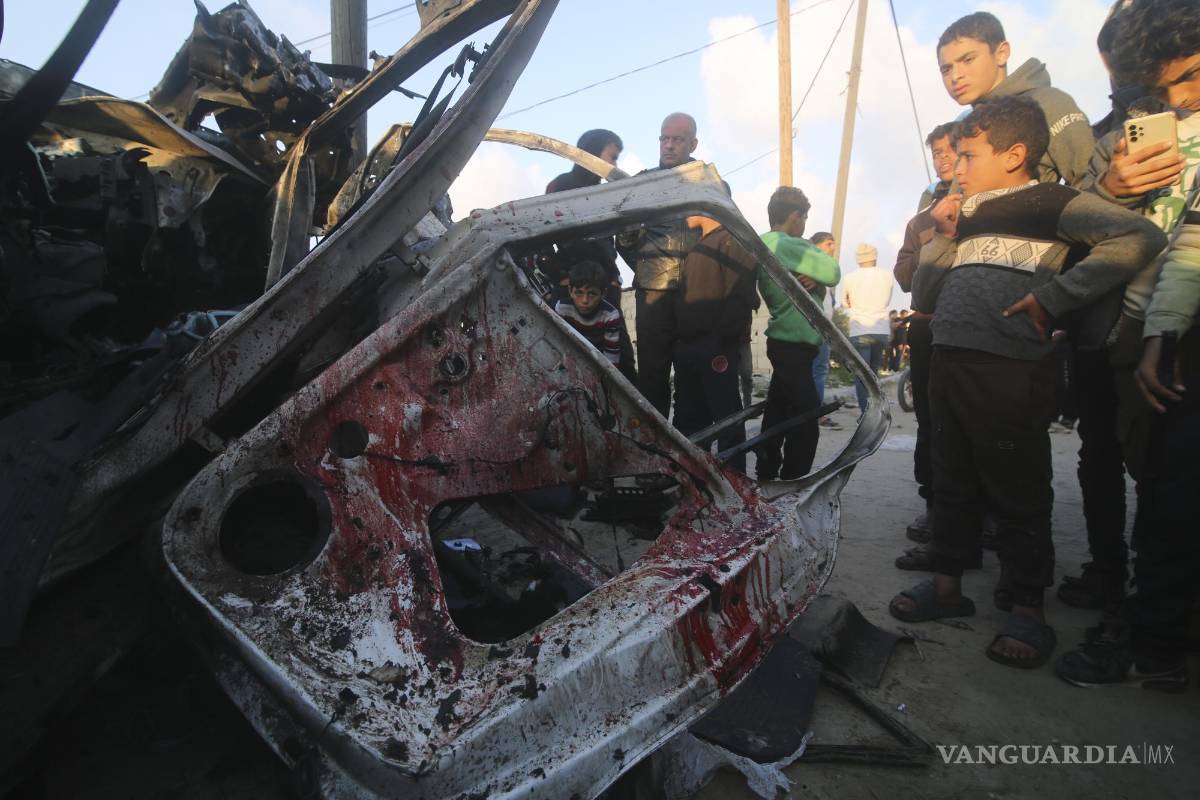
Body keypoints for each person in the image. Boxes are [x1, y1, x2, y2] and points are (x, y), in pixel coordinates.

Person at [889, 96, 1165, 672]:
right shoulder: (964, 214)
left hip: (1011, 369)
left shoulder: (1053, 202)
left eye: (968, 155)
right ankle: (946, 587)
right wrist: (942, 236)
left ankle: (1027, 607)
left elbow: (1137, 237)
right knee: (951, 479)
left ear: (1015, 155)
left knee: (1018, 491)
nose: (957, 168)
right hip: (950, 363)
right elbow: (927, 295)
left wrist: (1054, 297)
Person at [1056, 0, 1200, 692]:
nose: (1180, 98)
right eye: (1159, 85)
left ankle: (1155, 631)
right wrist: (1112, 189)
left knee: (1167, 483)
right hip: (1127, 329)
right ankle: (1122, 598)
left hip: (1165, 333)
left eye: (1191, 77)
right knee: (1115, 463)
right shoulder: (1119, 132)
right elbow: (1076, 219)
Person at [937, 11, 1094, 187]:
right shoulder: (967, 126)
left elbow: (1091, 180)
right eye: (946, 69)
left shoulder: (1049, 103)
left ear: (1001, 53)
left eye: (968, 60)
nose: (955, 76)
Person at [894, 122, 957, 546]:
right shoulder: (921, 220)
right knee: (930, 422)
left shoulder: (993, 206)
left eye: (951, 149)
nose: (945, 158)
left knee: (975, 422)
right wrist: (937, 237)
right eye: (937, 152)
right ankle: (935, 506)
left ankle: (984, 513)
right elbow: (904, 275)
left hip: (978, 329)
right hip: (927, 328)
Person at [616, 113, 702, 418]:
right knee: (652, 375)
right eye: (664, 138)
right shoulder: (643, 182)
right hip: (653, 294)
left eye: (677, 139)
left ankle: (690, 446)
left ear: (693, 143)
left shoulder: (708, 183)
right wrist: (646, 267)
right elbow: (623, 237)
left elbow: (723, 237)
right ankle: (655, 447)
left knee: (693, 376)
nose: (668, 146)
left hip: (697, 296)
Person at [756, 188, 841, 481]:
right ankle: (795, 479)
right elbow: (832, 271)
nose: (804, 225)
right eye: (804, 218)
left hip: (787, 343)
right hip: (793, 344)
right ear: (795, 216)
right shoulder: (787, 244)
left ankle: (766, 473)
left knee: (777, 412)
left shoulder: (768, 242)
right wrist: (816, 267)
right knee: (806, 419)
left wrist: (811, 274)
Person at [671, 212, 759, 473]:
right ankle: (691, 478)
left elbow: (740, 294)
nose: (684, 212)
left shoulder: (732, 242)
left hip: (716, 346)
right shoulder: (698, 245)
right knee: (688, 418)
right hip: (689, 347)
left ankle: (733, 481)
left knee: (726, 418)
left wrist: (721, 340)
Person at [841, 243, 893, 414]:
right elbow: (888, 300)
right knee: (874, 372)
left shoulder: (850, 277)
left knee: (862, 375)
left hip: (860, 329)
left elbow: (844, 303)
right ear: (875, 257)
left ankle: (866, 414)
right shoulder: (887, 275)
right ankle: (876, 410)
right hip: (881, 329)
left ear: (858, 259)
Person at [554, 261, 625, 373]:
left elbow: (611, 358)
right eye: (579, 293)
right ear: (570, 291)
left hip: (599, 363)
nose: (585, 300)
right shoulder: (562, 308)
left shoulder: (610, 316)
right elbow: (559, 344)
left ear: (603, 294)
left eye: (592, 294)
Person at [809, 231, 840, 430]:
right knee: (817, 372)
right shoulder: (814, 267)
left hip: (824, 328)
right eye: (829, 244)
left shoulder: (823, 270)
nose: (833, 248)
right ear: (817, 245)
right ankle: (815, 414)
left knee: (818, 371)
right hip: (816, 328)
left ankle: (813, 411)